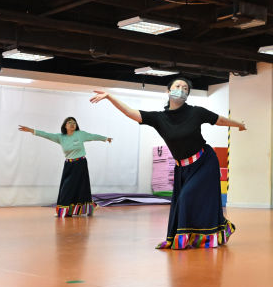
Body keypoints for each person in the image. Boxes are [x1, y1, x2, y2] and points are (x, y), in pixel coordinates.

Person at [90, 77, 246, 249]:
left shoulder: (196, 112)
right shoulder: (159, 118)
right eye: (177, 86)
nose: (181, 89)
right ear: (168, 91)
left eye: (185, 88)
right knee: (180, 201)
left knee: (186, 197)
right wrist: (110, 97)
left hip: (204, 162)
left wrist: (239, 125)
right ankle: (199, 234)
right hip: (182, 168)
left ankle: (185, 238)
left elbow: (220, 120)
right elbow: (130, 113)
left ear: (187, 94)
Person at [18, 118, 111, 218]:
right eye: (69, 122)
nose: (72, 124)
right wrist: (31, 130)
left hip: (80, 164)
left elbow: (93, 136)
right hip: (68, 165)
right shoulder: (60, 137)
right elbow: (46, 135)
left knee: (80, 188)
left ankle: (72, 209)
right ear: (65, 126)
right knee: (66, 188)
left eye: (74, 123)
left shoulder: (80, 134)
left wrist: (106, 138)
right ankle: (87, 207)